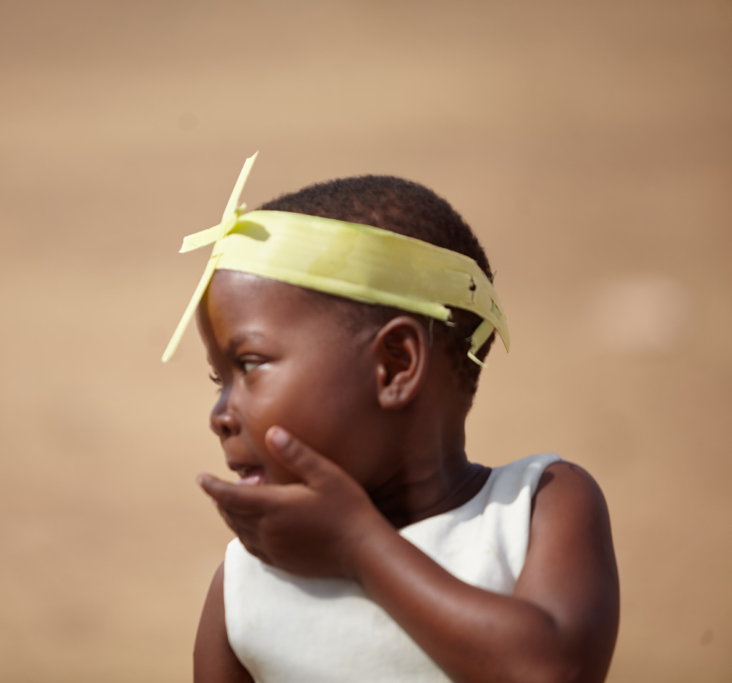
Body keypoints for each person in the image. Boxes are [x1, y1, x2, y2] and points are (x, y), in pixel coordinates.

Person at [162, 154, 619, 683]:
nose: (220, 415)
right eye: (220, 381)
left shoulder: (537, 507)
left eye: (250, 365)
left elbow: (551, 670)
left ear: (395, 365)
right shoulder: (246, 585)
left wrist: (358, 547)